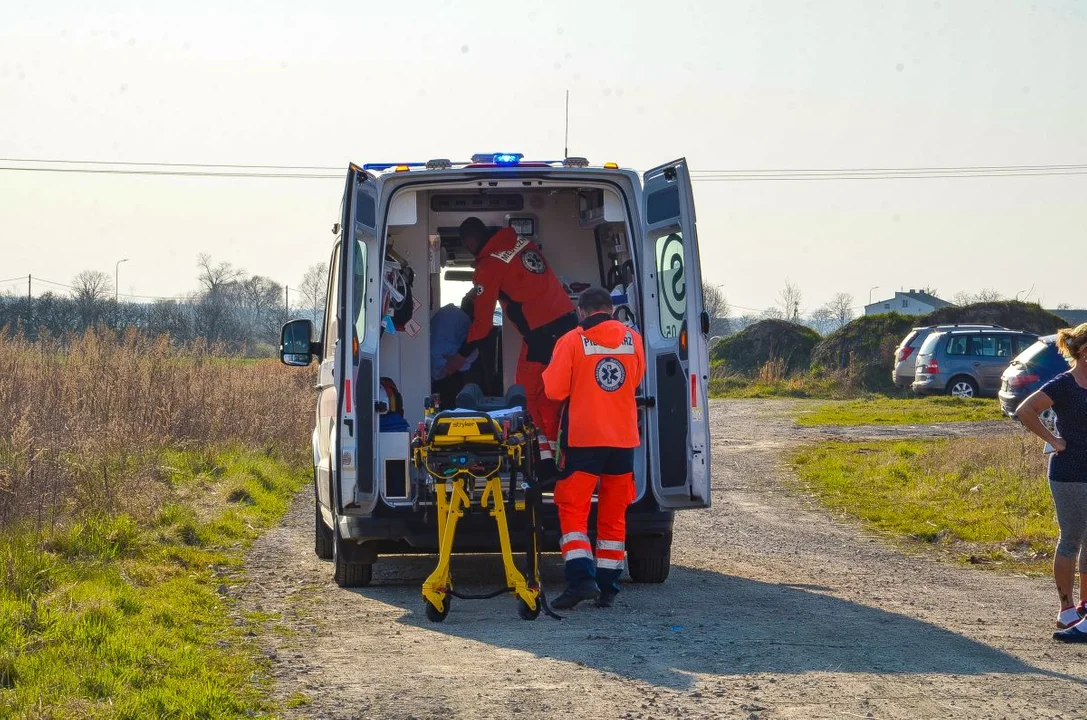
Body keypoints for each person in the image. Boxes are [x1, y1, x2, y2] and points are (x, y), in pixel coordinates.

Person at [441, 217, 577, 477]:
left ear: (469, 242)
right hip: (567, 325)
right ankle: (552, 458)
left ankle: (545, 461)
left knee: (524, 396)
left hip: (543, 336)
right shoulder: (518, 240)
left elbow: (482, 325)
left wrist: (460, 357)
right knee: (548, 396)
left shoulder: (489, 266)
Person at [541, 287, 645, 609]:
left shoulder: (572, 340)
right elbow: (636, 379)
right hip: (623, 439)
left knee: (573, 508)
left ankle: (580, 581)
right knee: (613, 515)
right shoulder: (632, 339)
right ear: (610, 310)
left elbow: (555, 391)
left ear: (582, 311)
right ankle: (609, 586)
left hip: (585, 439)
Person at [1016, 323, 1087, 642]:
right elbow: (1025, 410)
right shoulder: (1065, 384)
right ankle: (1066, 608)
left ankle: (1084, 607)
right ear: (1085, 352)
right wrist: (1053, 440)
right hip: (1069, 473)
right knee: (1071, 539)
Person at [429, 293, 479, 410]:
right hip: (443, 376)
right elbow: (469, 355)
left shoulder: (446, 312)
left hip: (433, 373)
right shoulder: (465, 322)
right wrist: (455, 362)